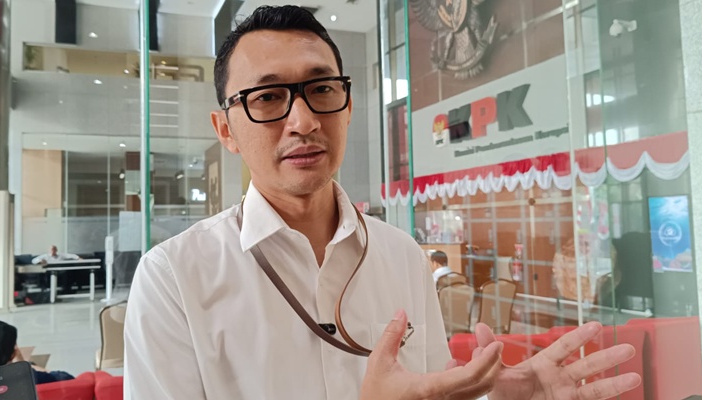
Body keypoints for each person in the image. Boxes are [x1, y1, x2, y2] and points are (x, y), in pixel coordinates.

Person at [124, 5, 640, 400]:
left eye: (322, 89)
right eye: (268, 97)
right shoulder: (174, 278)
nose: (304, 121)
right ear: (225, 131)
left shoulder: (401, 255)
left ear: (347, 107)